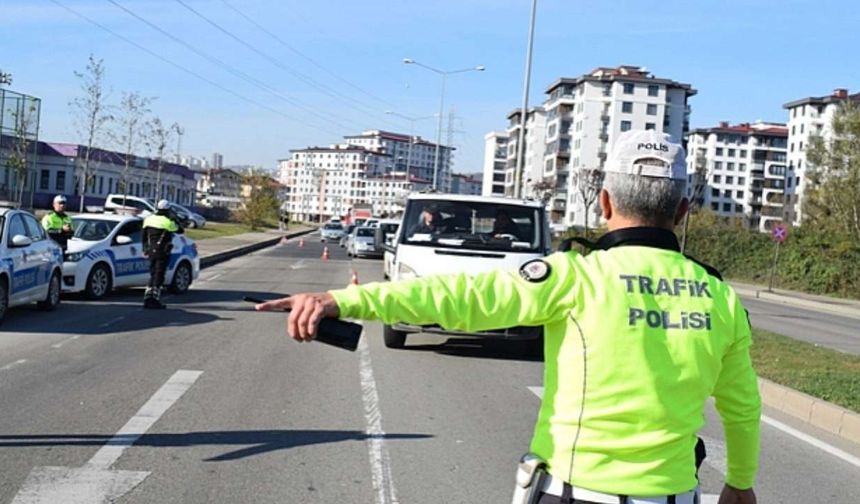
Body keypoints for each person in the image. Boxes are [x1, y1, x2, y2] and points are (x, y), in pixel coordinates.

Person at [256, 130, 760, 504]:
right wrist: (740, 482)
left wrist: (346, 301)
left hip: (575, 493)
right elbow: (741, 408)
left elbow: (461, 297)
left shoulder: (576, 277)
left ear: (604, 202)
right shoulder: (720, 297)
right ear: (683, 210)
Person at [142, 199, 183, 309]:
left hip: (151, 250)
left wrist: (145, 249)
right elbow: (180, 230)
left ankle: (147, 298)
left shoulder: (148, 220)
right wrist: (175, 219)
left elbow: (144, 236)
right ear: (167, 210)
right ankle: (154, 299)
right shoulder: (168, 222)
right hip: (162, 251)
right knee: (159, 275)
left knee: (152, 273)